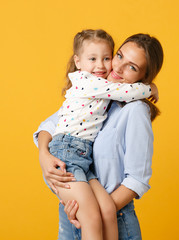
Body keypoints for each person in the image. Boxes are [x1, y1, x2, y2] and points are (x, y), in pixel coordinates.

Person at [34, 33, 164, 240]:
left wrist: (91, 213)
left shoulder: (135, 110)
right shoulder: (96, 93)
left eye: (132, 67)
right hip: (78, 212)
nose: (118, 68)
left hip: (113, 218)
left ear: (143, 77)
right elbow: (49, 125)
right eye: (119, 56)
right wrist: (43, 155)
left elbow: (137, 180)